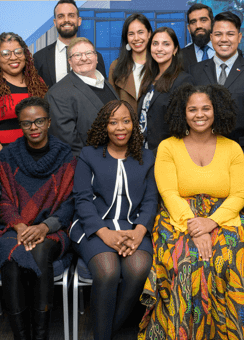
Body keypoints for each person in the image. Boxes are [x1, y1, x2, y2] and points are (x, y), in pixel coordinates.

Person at [139, 84, 244, 340]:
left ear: (216, 111)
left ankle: (230, 334)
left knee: (230, 256)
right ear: (182, 113)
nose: (199, 114)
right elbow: (169, 193)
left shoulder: (232, 149)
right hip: (179, 217)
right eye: (192, 109)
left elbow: (239, 195)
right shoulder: (167, 148)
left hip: (224, 216)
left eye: (206, 108)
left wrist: (211, 223)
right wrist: (195, 227)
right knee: (187, 258)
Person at [70, 100, 157, 340]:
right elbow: (82, 199)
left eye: (126, 121)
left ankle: (108, 332)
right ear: (104, 126)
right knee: (107, 271)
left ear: (134, 125)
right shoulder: (89, 155)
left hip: (133, 228)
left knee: (139, 269)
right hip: (94, 228)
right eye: (113, 122)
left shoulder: (147, 157)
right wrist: (104, 233)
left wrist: (140, 232)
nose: (121, 127)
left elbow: (151, 200)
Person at [0, 97, 76, 340]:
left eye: (39, 121)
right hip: (15, 227)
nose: (34, 127)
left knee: (40, 254)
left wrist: (43, 227)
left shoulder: (65, 155)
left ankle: (40, 336)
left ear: (49, 122)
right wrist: (20, 227)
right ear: (20, 125)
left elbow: (70, 201)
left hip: (53, 228)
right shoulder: (9, 156)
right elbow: (2, 199)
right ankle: (21, 335)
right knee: (11, 257)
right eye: (27, 123)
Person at [190, 11, 244, 153]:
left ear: (239, 37)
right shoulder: (195, 71)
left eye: (230, 34)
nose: (224, 39)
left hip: (243, 153)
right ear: (211, 37)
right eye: (218, 34)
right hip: (202, 152)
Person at [0, 32, 47, 160]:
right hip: (8, 161)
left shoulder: (38, 83)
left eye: (18, 52)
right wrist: (6, 163)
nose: (13, 58)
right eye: (6, 54)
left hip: (41, 156)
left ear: (25, 54)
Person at [47, 38, 119, 156]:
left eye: (88, 53)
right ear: (69, 61)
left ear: (96, 58)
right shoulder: (57, 94)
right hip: (88, 165)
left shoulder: (105, 83)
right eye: (77, 55)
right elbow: (69, 143)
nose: (84, 58)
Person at [137, 27, 193, 151]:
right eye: (155, 44)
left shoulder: (183, 80)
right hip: (143, 152)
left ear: (175, 50)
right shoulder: (148, 78)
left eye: (166, 44)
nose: (159, 48)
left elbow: (184, 125)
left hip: (166, 153)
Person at [34, 0, 107, 88]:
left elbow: (102, 89)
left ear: (79, 21)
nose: (66, 20)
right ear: (55, 22)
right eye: (61, 16)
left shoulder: (95, 57)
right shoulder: (39, 58)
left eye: (71, 15)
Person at [108, 13, 152, 112]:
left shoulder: (159, 65)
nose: (136, 38)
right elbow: (111, 106)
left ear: (149, 34)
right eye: (131, 34)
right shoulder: (116, 66)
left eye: (140, 32)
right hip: (125, 125)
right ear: (126, 38)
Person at [179, 3, 214, 71]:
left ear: (213, 23)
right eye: (193, 22)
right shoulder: (179, 57)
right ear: (188, 28)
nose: (198, 26)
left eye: (203, 20)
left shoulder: (226, 52)